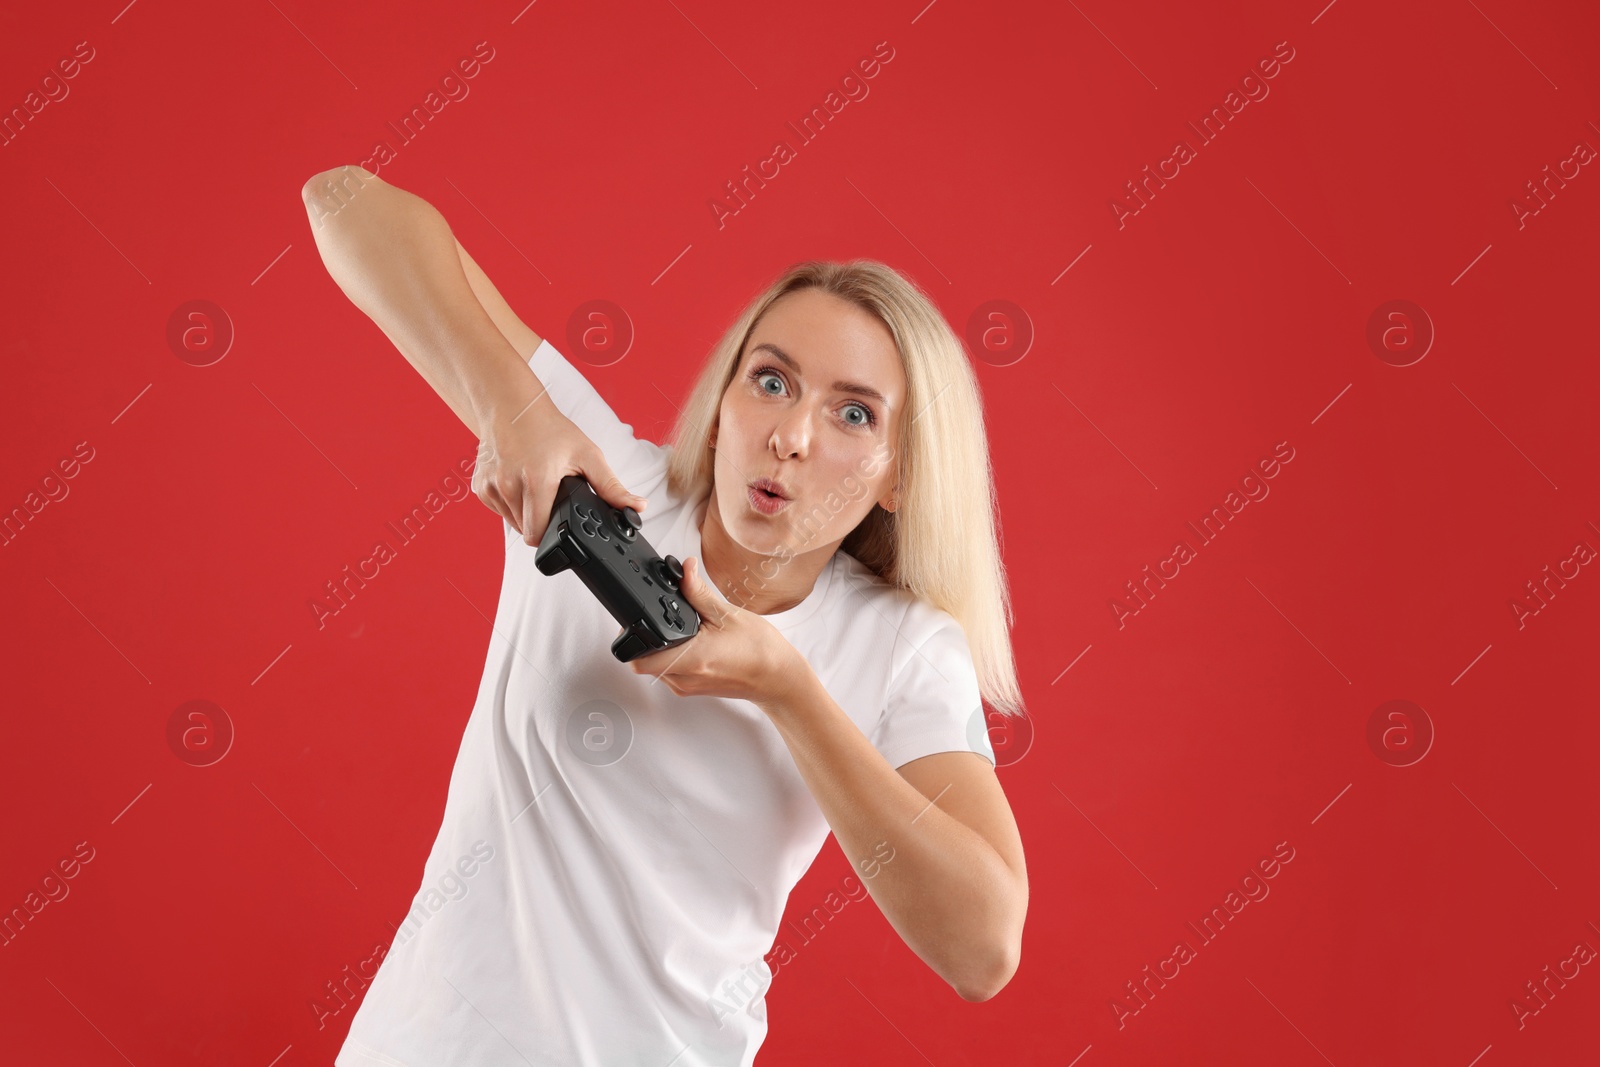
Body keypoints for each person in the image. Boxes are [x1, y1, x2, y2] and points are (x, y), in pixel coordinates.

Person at [301, 165, 1029, 1067]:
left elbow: (984, 947)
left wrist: (787, 690)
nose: (792, 435)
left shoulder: (903, 647)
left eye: (852, 413)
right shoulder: (604, 481)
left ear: (900, 473)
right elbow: (341, 202)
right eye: (771, 381)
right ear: (722, 407)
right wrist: (515, 406)